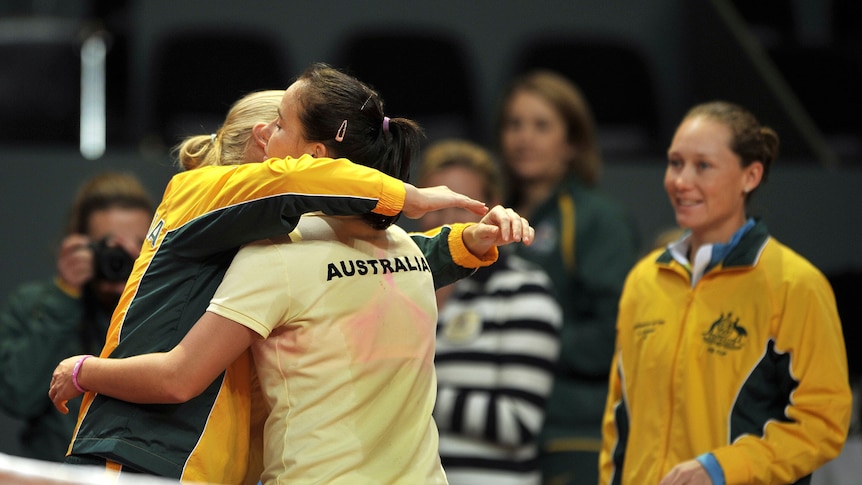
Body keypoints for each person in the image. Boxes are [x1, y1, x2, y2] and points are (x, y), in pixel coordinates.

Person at [50, 64, 534, 484]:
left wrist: (467, 242)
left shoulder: (289, 245)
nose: (269, 137)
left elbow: (375, 260)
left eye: (280, 125)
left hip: (220, 469)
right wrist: (411, 197)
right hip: (145, 453)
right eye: (271, 126)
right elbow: (179, 378)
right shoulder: (199, 193)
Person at [599, 101, 852, 485]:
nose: (681, 180)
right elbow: (619, 421)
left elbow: (823, 423)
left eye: (703, 165)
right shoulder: (643, 281)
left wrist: (723, 469)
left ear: (750, 176)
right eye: (674, 162)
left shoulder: (795, 285)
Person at [496, 69, 640, 484]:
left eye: (541, 125)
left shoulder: (599, 219)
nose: (524, 138)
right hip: (495, 433)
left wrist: (523, 346)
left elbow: (613, 331)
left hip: (571, 430)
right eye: (514, 124)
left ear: (573, 143)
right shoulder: (492, 215)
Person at [417, 139, 563, 485]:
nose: (445, 219)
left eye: (460, 206)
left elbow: (518, 421)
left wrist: (405, 393)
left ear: (493, 210)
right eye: (435, 205)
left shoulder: (524, 289)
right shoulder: (400, 286)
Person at [0, 172, 153, 462]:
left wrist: (144, 287)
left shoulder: (166, 306)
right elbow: (18, 397)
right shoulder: (35, 304)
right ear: (81, 245)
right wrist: (65, 296)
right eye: (108, 245)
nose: (121, 256)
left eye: (138, 245)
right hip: (58, 471)